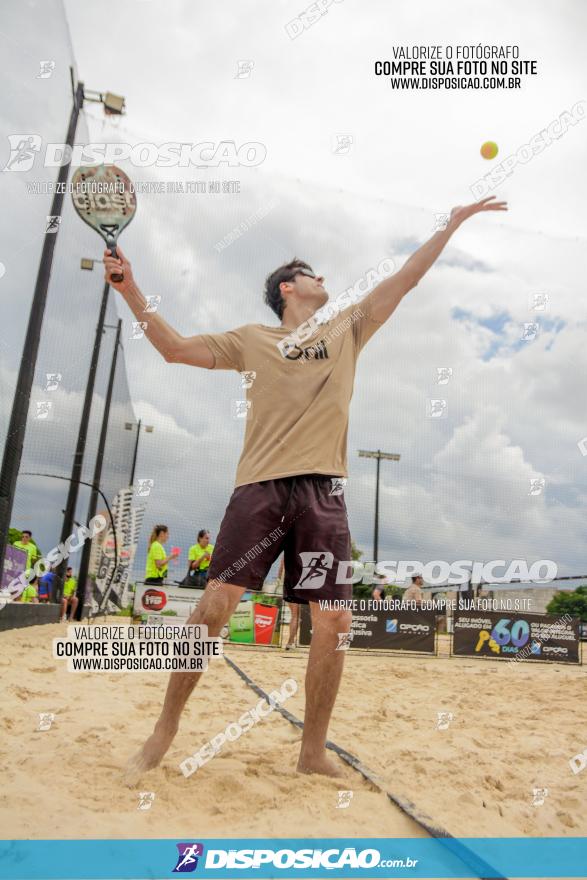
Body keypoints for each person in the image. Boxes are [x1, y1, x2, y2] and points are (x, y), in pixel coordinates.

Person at [104, 193, 507, 781]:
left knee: (336, 622)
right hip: (260, 489)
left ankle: (311, 752)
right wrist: (131, 290)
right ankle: (164, 732)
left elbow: (406, 279)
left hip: (323, 494)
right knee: (215, 606)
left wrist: (450, 224)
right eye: (310, 273)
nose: (324, 279)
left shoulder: (348, 329)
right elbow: (172, 348)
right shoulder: (251, 339)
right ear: (287, 289)